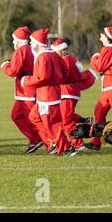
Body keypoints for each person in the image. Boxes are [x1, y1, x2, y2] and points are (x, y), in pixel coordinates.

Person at [21, 29, 76, 157]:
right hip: (48, 94)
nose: (30, 43)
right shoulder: (52, 53)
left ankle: (65, 148)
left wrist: (26, 80)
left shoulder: (44, 56)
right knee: (34, 116)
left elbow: (42, 77)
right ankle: (52, 142)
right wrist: (58, 80)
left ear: (37, 42)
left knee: (52, 124)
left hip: (47, 96)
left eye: (31, 41)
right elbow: (64, 69)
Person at [1, 26, 42, 153]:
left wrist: (5, 65)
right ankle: (35, 139)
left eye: (14, 40)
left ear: (19, 40)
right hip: (24, 90)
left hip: (26, 90)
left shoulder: (20, 51)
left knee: (34, 118)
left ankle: (50, 142)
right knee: (16, 115)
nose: (13, 42)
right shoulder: (30, 49)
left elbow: (13, 71)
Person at [51, 38, 86, 151]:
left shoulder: (65, 59)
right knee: (65, 116)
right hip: (71, 91)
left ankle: (78, 144)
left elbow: (62, 77)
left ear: (60, 51)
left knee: (66, 120)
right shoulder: (71, 59)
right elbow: (80, 76)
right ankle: (84, 121)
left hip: (67, 92)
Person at [88, 27, 112, 151]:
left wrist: (95, 57)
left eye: (101, 35)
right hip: (111, 86)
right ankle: (96, 141)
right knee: (99, 111)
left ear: (107, 37)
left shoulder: (108, 49)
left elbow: (99, 66)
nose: (100, 38)